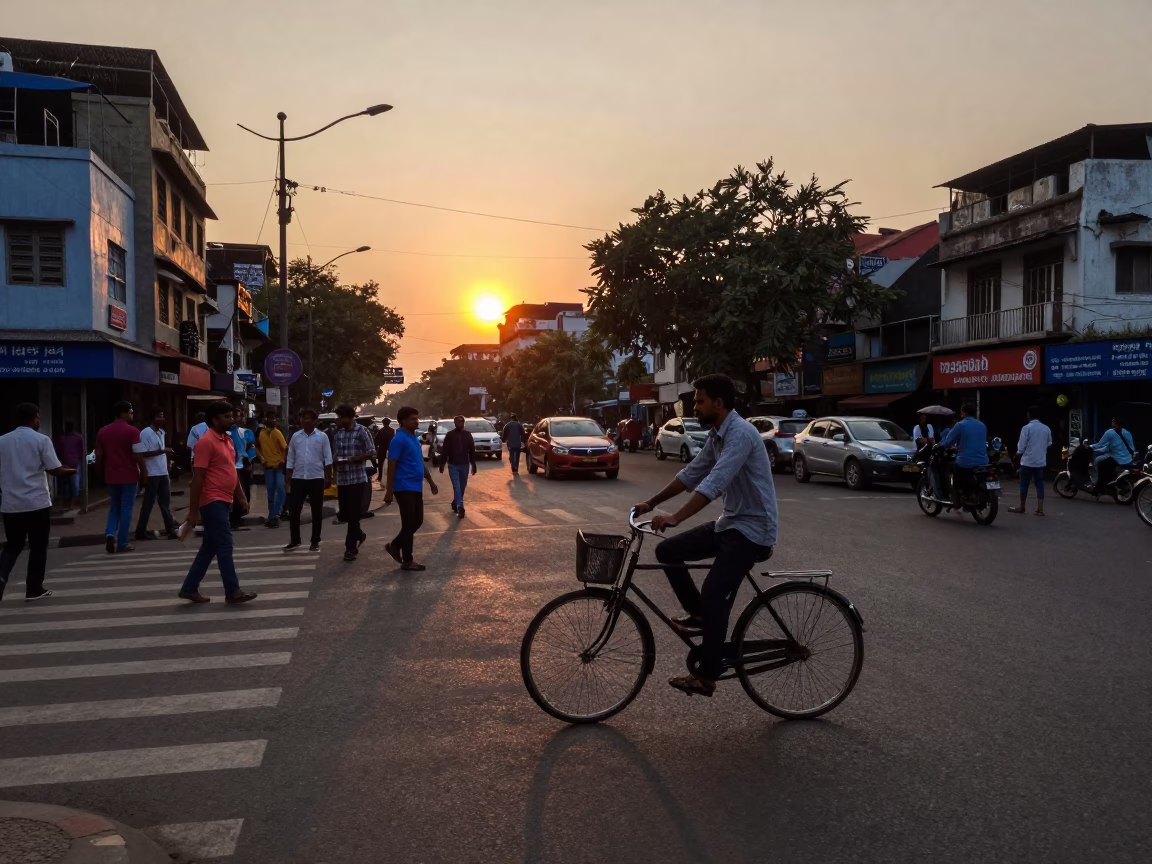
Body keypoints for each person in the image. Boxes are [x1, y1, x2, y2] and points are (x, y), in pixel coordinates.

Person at [634, 374, 778, 699]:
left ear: (719, 403)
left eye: (700, 401)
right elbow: (692, 474)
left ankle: (707, 675)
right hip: (731, 525)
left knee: (714, 593)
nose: (695, 406)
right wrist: (651, 503)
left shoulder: (740, 435)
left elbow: (712, 485)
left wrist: (675, 517)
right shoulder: (717, 435)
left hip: (752, 533)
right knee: (668, 552)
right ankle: (700, 615)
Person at [177, 401, 257, 604]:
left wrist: (240, 496)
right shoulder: (205, 442)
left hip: (225, 498)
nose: (232, 420)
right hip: (212, 500)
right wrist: (193, 512)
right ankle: (233, 591)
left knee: (210, 547)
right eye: (227, 417)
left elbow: (231, 471)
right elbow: (198, 479)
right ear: (215, 419)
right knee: (224, 545)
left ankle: (189, 588)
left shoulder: (227, 441)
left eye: (232, 416)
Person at [0, 403, 76, 602]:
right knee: (38, 546)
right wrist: (71, 470)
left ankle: (1, 576)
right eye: (38, 417)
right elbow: (54, 469)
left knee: (13, 545)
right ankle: (33, 588)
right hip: (36, 503)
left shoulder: (2, 441)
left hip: (11, 504)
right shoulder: (41, 439)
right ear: (34, 418)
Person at [383, 406, 439, 571]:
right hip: (403, 486)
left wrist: (430, 481)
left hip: (415, 486)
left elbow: (420, 461)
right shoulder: (398, 440)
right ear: (403, 421)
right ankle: (407, 560)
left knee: (417, 520)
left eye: (417, 418)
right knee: (409, 523)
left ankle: (395, 545)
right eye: (412, 418)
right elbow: (392, 465)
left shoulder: (414, 438)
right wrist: (389, 490)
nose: (417, 421)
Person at [94, 400, 143, 554]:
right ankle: (122, 542)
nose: (132, 415)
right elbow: (138, 456)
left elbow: (99, 456)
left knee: (114, 507)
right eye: (130, 412)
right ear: (124, 413)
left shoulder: (102, 431)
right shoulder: (133, 432)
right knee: (127, 508)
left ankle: (110, 533)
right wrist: (145, 474)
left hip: (111, 475)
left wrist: (99, 474)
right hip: (129, 475)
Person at [285, 407, 333, 552]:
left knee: (316, 511)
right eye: (303, 418)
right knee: (294, 511)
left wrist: (328, 476)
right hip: (298, 477)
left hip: (316, 477)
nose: (306, 420)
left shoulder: (322, 437)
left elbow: (328, 458)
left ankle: (315, 541)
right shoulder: (295, 436)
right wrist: (288, 475)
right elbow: (291, 457)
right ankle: (295, 540)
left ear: (314, 421)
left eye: (309, 418)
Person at [332, 404, 374, 562]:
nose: (339, 420)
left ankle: (351, 547)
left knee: (354, 513)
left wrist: (355, 459)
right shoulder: (338, 434)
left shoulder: (361, 431)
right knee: (345, 514)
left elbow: (371, 452)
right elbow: (335, 454)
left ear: (349, 418)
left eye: (341, 417)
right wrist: (336, 460)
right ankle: (359, 534)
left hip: (357, 478)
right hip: (343, 479)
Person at [133, 408, 178, 539]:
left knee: (165, 502)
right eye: (159, 416)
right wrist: (162, 451)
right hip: (152, 473)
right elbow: (142, 454)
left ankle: (169, 527)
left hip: (163, 472)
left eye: (163, 416)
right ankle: (140, 531)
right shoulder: (145, 433)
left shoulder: (162, 432)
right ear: (152, 418)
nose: (162, 419)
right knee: (148, 503)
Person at [936, 403, 989, 504]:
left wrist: (938, 446)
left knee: (951, 472)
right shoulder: (982, 425)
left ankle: (956, 500)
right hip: (983, 461)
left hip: (966, 461)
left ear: (963, 413)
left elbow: (948, 441)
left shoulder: (960, 425)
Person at [1009, 406, 1052, 515]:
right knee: (1040, 484)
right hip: (1040, 461)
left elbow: (1021, 446)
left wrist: (1017, 455)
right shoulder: (1046, 428)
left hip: (1027, 461)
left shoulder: (1026, 428)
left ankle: (1022, 507)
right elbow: (1049, 443)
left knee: (1024, 484)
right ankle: (1040, 509)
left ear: (1029, 415)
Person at [439, 414, 477, 518]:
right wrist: (442, 463)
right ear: (455, 423)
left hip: (464, 465)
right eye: (459, 421)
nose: (461, 423)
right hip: (453, 465)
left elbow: (472, 450)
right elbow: (445, 450)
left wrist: (473, 464)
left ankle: (456, 502)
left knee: (462, 487)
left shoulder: (468, 435)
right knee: (457, 486)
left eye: (462, 421)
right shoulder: (450, 435)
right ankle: (460, 507)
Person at [256, 412, 288, 528]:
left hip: (278, 466)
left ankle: (275, 514)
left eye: (275, 419)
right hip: (268, 466)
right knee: (270, 492)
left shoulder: (277, 432)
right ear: (266, 419)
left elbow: (285, 448)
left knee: (280, 490)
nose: (273, 421)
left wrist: (282, 460)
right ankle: (272, 515)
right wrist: (261, 458)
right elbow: (257, 446)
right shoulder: (262, 433)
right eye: (271, 418)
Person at [1090, 417, 1136, 495]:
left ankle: (1099, 488)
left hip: (1118, 459)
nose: (1111, 423)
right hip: (1129, 459)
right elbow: (1132, 447)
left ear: (1115, 423)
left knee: (1100, 464)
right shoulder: (1127, 433)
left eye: (1112, 421)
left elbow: (1099, 445)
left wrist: (1089, 447)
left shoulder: (1110, 432)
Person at [53, 421, 85, 509]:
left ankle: (70, 502)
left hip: (67, 463)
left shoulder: (63, 438)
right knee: (72, 483)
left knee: (69, 483)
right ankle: (71, 502)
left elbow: (58, 451)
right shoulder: (78, 437)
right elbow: (82, 450)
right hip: (73, 463)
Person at [374, 418, 395, 489]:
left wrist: (376, 448)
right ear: (389, 423)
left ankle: (380, 478)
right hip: (390, 450)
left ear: (383, 423)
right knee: (391, 464)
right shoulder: (392, 431)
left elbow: (376, 442)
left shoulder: (380, 431)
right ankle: (390, 478)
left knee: (381, 465)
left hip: (381, 450)